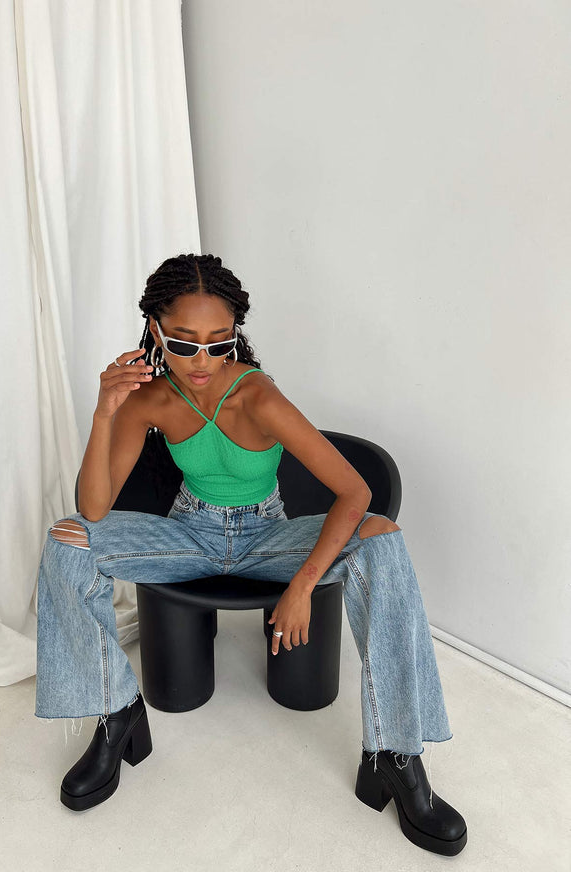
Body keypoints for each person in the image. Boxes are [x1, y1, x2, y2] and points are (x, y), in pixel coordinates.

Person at [35, 253, 467, 855]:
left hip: (267, 537)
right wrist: (105, 411)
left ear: (235, 333)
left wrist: (301, 586)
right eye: (184, 343)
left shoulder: (258, 396)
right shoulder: (148, 400)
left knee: (381, 538)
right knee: (67, 539)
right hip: (188, 535)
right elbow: (95, 508)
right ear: (155, 329)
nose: (203, 361)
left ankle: (396, 754)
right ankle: (115, 713)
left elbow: (355, 492)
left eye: (220, 342)